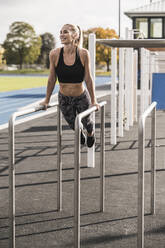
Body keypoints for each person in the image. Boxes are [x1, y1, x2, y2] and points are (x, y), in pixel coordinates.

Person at [40, 24, 99, 147]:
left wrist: (94, 100)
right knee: (73, 124)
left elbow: (88, 78)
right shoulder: (54, 54)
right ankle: (80, 132)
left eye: (65, 32)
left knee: (87, 122)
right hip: (64, 98)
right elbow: (51, 79)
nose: (61, 35)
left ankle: (90, 133)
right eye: (60, 32)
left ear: (75, 35)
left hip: (81, 96)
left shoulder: (83, 54)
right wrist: (47, 100)